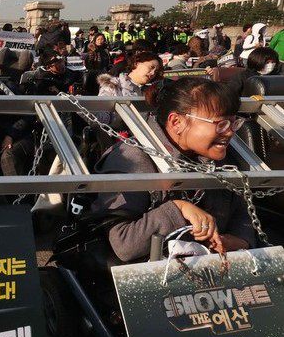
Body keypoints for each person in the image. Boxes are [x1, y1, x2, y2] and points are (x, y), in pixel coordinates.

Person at [91, 77, 255, 262]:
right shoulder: (132, 160)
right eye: (221, 123)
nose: (230, 131)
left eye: (234, 123)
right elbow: (123, 244)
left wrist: (240, 240)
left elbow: (242, 212)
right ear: (177, 122)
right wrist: (178, 208)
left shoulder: (221, 157)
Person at [97, 51, 163, 125]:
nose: (153, 73)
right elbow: (101, 117)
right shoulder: (113, 85)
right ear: (137, 63)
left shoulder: (153, 90)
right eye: (151, 67)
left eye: (156, 71)